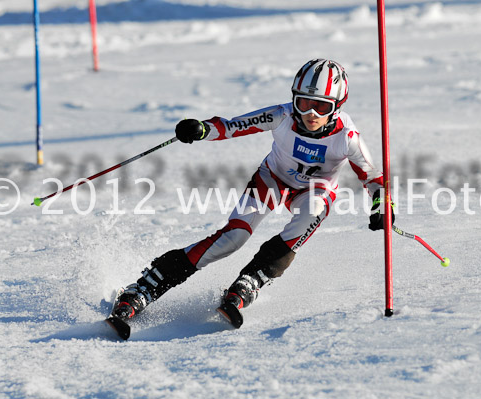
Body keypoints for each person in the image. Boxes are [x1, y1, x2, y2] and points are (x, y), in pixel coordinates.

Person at [111, 59, 394, 328]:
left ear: (336, 107)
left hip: (313, 190)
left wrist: (383, 204)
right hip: (271, 179)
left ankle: (252, 280)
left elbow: (374, 179)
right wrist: (201, 130)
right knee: (232, 239)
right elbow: (232, 126)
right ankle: (146, 286)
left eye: (321, 107)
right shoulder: (282, 115)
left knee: (315, 209)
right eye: (304, 103)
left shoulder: (347, 137)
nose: (310, 114)